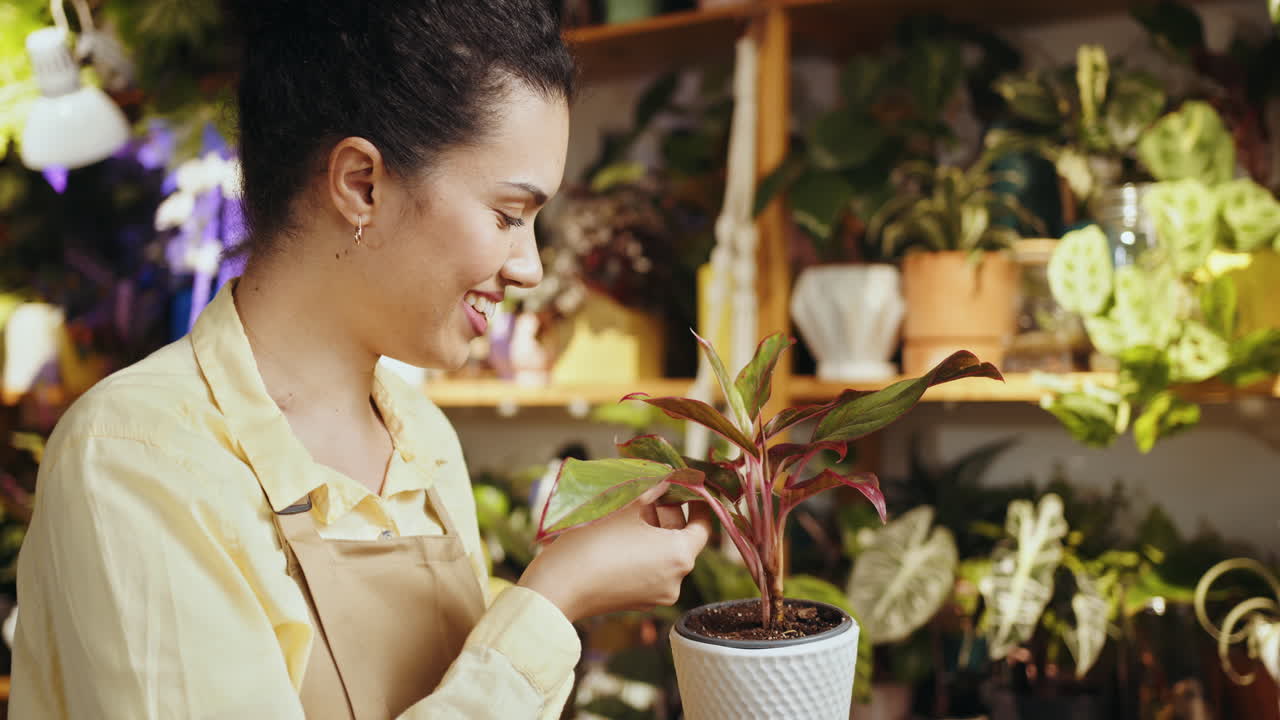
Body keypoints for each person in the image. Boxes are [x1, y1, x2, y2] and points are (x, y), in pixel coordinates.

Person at [11, 2, 712, 718]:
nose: (529, 266)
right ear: (362, 184)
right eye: (507, 215)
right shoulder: (136, 459)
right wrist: (553, 598)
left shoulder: (421, 441)